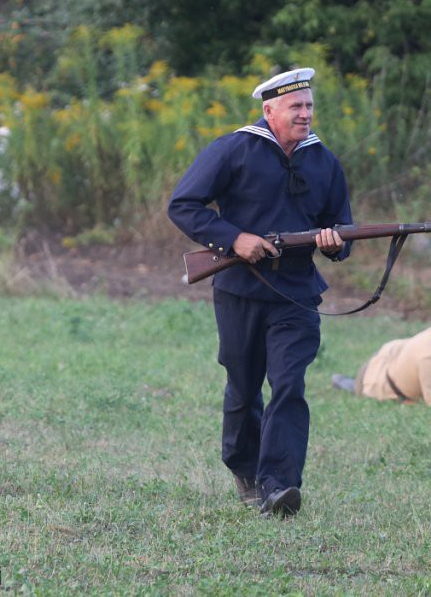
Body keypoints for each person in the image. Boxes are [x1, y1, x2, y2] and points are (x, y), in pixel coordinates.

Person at [168, 68, 352, 517]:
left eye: (309, 106)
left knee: (289, 384)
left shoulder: (324, 160)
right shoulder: (233, 148)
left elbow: (342, 230)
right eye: (296, 107)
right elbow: (183, 205)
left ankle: (279, 486)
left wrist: (334, 242)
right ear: (269, 110)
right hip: (240, 290)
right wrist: (234, 239)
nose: (305, 114)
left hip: (296, 294)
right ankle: (245, 468)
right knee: (243, 387)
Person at [332, 328, 431, 405]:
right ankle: (345, 383)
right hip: (376, 377)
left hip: (395, 351)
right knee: (358, 388)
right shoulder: (427, 358)